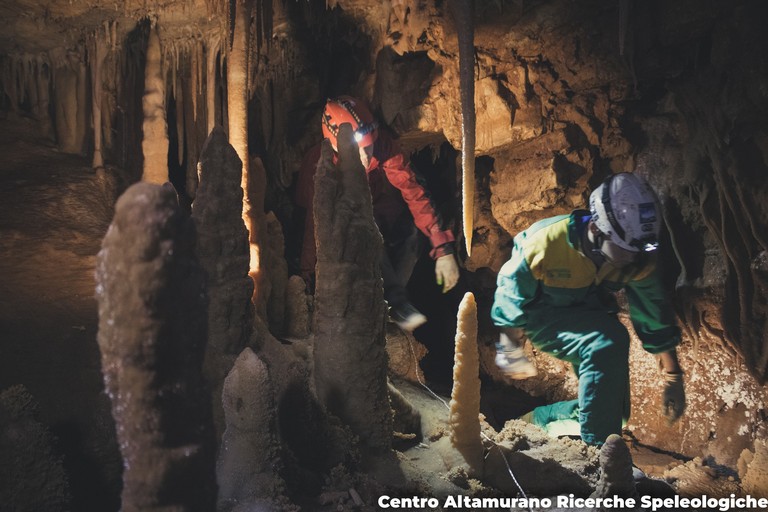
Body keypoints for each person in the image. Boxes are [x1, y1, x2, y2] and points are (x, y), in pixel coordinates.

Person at [490, 172, 686, 446]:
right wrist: (509, 346)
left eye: (638, 251)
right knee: (608, 340)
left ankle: (533, 423)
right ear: (596, 229)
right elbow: (511, 291)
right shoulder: (546, 241)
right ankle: (598, 458)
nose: (633, 258)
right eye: (624, 250)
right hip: (543, 317)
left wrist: (673, 376)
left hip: (591, 315)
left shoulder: (638, 254)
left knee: (613, 414)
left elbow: (653, 315)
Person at [295, 96, 460, 331]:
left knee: (410, 232)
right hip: (336, 223)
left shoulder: (383, 146)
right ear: (336, 145)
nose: (365, 157)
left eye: (368, 148)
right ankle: (393, 303)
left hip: (377, 207)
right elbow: (313, 226)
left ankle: (391, 305)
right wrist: (307, 279)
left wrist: (443, 249)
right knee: (366, 231)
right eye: (357, 151)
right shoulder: (321, 166)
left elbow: (413, 192)